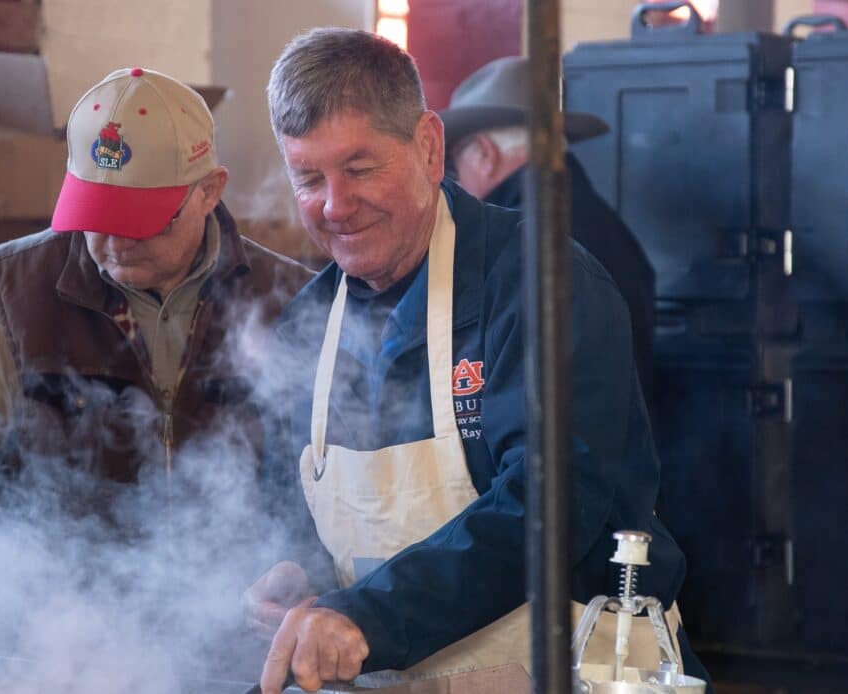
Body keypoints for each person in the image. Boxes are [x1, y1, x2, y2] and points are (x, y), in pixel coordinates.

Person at [249, 28, 710, 694]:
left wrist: (370, 614)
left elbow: (551, 504)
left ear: (429, 146)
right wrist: (296, 571)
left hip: (574, 670)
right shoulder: (307, 328)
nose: (335, 205)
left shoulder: (541, 283)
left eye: (360, 168)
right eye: (309, 178)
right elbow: (288, 505)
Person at [0, 67, 312, 582]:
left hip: (236, 617)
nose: (115, 242)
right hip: (40, 620)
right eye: (97, 215)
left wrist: (312, 579)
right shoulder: (7, 300)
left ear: (209, 191)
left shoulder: (291, 302)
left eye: (142, 221)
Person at [442, 55, 656, 402]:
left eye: (455, 164)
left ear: (484, 153)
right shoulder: (598, 218)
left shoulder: (515, 239)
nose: (457, 181)